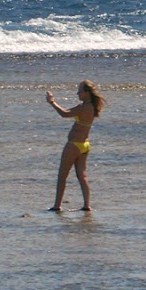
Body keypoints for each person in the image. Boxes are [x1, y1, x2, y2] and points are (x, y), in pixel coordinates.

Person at [45, 80, 105, 212]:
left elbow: (64, 114)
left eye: (80, 91)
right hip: (85, 145)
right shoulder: (89, 107)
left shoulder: (84, 107)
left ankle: (57, 206)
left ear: (87, 93)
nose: (77, 93)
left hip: (74, 145)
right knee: (82, 176)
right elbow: (67, 111)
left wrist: (52, 102)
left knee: (62, 175)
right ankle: (86, 205)